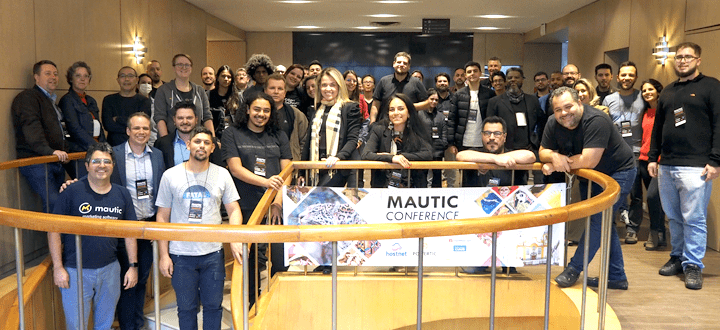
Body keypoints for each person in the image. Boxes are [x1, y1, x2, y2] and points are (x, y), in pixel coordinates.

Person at [541, 87, 636, 290]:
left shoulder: (597, 120)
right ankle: (616, 276)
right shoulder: (553, 122)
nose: (564, 113)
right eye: (558, 110)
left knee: (597, 221)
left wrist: (557, 162)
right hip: (588, 177)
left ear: (580, 103)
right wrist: (553, 157)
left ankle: (574, 269)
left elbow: (589, 160)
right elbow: (542, 152)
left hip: (619, 172)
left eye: (568, 107)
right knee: (603, 224)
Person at [648, 42, 720, 290]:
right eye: (678, 57)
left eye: (688, 57)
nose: (682, 61)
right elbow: (658, 127)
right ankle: (678, 257)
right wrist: (652, 157)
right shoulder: (667, 91)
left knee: (694, 218)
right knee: (674, 217)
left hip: (696, 166)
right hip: (667, 165)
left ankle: (693, 265)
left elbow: (719, 124)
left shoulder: (711, 86)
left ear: (698, 60)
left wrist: (715, 160)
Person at [157, 126, 242, 329]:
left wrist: (234, 238)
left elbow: (234, 210)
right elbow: (162, 217)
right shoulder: (171, 175)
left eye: (206, 143)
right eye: (197, 141)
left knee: (213, 307)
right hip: (180, 254)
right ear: (188, 145)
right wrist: (163, 255)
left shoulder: (222, 174)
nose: (201, 146)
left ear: (213, 148)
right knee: (186, 308)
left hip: (212, 254)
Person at [48, 142, 138, 330]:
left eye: (107, 161)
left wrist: (133, 266)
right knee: (76, 326)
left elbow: (130, 232)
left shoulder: (122, 194)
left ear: (113, 166)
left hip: (110, 270)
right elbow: (53, 229)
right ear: (87, 165)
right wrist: (58, 267)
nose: (102, 165)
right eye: (96, 161)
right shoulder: (72, 191)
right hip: (76, 271)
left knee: (104, 325)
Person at [221, 92, 291, 307]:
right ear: (248, 110)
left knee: (280, 260)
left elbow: (287, 171)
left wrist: (278, 202)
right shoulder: (232, 133)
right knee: (250, 261)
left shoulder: (279, 135)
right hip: (246, 206)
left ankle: (277, 304)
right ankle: (251, 305)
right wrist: (265, 182)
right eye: (257, 109)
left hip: (275, 207)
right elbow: (235, 168)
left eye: (266, 111)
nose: (261, 114)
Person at [106, 112, 165, 330]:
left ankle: (135, 323)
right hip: (122, 227)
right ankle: (127, 324)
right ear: (128, 131)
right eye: (137, 128)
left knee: (141, 279)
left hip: (147, 227)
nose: (142, 132)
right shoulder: (115, 154)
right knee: (125, 280)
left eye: (146, 129)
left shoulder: (157, 155)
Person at [13, 60, 69, 212]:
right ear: (36, 77)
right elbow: (31, 127)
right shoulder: (28, 97)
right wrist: (50, 151)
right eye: (48, 73)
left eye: (56, 74)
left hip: (55, 160)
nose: (53, 77)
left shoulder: (51, 102)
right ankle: (57, 236)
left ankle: (59, 236)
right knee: (54, 203)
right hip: (37, 161)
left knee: (61, 203)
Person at [603, 61, 644, 244]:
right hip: (614, 153)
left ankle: (632, 228)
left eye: (631, 75)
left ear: (635, 77)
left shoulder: (643, 98)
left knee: (635, 193)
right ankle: (610, 224)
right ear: (617, 77)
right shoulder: (609, 100)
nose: (627, 78)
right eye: (624, 75)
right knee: (613, 190)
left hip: (636, 151)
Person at [302, 67, 362, 187]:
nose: (328, 89)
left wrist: (338, 157)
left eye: (332, 85)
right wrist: (302, 171)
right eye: (324, 85)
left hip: (338, 165)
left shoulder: (350, 108)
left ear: (339, 86)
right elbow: (308, 140)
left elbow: (352, 139)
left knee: (319, 195)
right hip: (316, 164)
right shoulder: (317, 109)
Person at [363, 93, 432, 188]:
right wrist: (391, 158)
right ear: (388, 113)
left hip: (412, 187)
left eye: (401, 109)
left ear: (408, 113)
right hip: (383, 187)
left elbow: (428, 154)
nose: (396, 113)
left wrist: (400, 157)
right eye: (392, 110)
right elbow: (366, 154)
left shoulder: (417, 130)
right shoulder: (378, 129)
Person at [487, 67, 542, 185]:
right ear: (506, 81)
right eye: (510, 77)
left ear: (522, 80)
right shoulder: (494, 101)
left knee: (522, 184)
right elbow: (489, 126)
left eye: (516, 77)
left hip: (526, 150)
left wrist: (536, 142)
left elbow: (541, 122)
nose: (513, 80)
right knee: (503, 184)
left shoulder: (532, 100)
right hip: (504, 150)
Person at [447, 61, 495, 187]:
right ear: (465, 75)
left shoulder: (490, 94)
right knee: (467, 179)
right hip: (465, 143)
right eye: (469, 72)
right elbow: (452, 119)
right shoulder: (458, 95)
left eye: (475, 71)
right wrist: (451, 143)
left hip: (483, 142)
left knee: (485, 177)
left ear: (480, 73)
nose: (472, 74)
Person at [457, 116, 536, 186]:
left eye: (497, 133)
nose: (492, 137)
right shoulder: (476, 153)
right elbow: (460, 155)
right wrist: (495, 159)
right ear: (482, 136)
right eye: (487, 133)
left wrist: (501, 158)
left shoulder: (511, 154)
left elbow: (530, 156)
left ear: (504, 137)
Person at [58, 61, 105, 178]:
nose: (82, 79)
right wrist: (96, 147)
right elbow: (74, 129)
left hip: (97, 150)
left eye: (86, 76)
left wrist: (104, 146)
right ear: (71, 79)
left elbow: (98, 126)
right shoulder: (67, 100)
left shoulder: (91, 100)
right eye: (78, 76)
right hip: (80, 151)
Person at [154, 54, 214, 138]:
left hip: (197, 141)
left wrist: (212, 139)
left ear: (191, 68)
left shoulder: (200, 91)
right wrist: (166, 141)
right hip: (172, 140)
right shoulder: (163, 90)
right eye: (180, 65)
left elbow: (207, 117)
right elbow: (160, 118)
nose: (184, 67)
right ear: (173, 68)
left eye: (187, 65)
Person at [637, 79, 666, 251]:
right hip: (643, 159)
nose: (647, 92)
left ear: (658, 90)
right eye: (644, 90)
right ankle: (661, 233)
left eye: (650, 89)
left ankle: (654, 233)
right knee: (656, 200)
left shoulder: (664, 111)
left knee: (653, 197)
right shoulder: (645, 112)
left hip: (660, 161)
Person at [154, 101, 223, 167]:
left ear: (196, 120)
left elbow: (218, 169)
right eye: (180, 118)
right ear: (174, 120)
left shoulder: (209, 142)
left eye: (189, 118)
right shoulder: (161, 144)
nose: (185, 122)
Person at [370, 51, 429, 123]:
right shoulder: (384, 81)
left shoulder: (416, 82)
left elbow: (426, 103)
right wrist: (372, 123)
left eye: (405, 63)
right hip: (385, 125)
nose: (401, 65)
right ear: (394, 64)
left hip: (409, 126)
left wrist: (408, 107)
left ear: (409, 66)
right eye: (399, 62)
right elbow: (375, 105)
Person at [102, 66, 152, 146]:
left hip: (138, 146)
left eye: (130, 76)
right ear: (118, 80)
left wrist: (118, 119)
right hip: (114, 147)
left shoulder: (144, 101)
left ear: (137, 80)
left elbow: (141, 125)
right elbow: (108, 126)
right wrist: (133, 127)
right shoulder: (109, 100)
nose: (126, 79)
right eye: (122, 76)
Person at [265, 73, 308, 162]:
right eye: (272, 88)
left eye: (280, 89)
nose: (276, 92)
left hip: (290, 166)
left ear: (285, 93)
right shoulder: (257, 114)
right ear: (265, 91)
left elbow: (304, 144)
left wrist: (300, 170)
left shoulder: (297, 115)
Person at [420, 89, 448, 187]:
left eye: (436, 100)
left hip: (437, 152)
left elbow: (444, 135)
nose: (434, 102)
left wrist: (441, 145)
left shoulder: (441, 116)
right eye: (432, 99)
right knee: (422, 180)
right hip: (422, 152)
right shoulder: (419, 114)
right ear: (426, 99)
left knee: (437, 180)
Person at [208, 65, 234, 137]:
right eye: (223, 76)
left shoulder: (237, 97)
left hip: (233, 135)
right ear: (217, 77)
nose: (226, 79)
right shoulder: (209, 95)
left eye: (229, 77)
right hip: (215, 135)